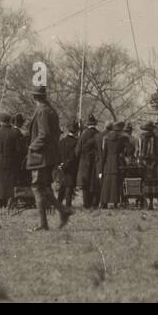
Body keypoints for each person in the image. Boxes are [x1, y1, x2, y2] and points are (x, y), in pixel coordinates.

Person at [26, 86, 72, 230]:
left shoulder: (42, 111)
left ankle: (43, 224)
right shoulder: (51, 110)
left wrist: (32, 147)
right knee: (44, 187)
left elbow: (44, 134)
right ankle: (63, 211)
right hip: (49, 155)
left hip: (41, 156)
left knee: (37, 187)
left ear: (34, 98)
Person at [0, 112, 22, 208]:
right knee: (10, 183)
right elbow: (20, 149)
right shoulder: (15, 132)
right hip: (12, 161)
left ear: (0, 121)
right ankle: (10, 205)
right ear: (10, 121)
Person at [75, 115, 101, 209]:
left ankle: (86, 204)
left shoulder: (83, 135)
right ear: (95, 124)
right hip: (95, 162)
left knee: (85, 184)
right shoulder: (99, 134)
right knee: (94, 182)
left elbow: (77, 151)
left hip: (84, 162)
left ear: (88, 124)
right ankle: (94, 203)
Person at [57, 121, 79, 209]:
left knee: (62, 185)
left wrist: (60, 164)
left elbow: (58, 154)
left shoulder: (61, 141)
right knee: (69, 186)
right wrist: (66, 164)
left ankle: (58, 203)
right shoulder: (76, 142)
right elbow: (73, 156)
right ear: (76, 131)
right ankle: (68, 205)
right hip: (71, 167)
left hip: (61, 167)